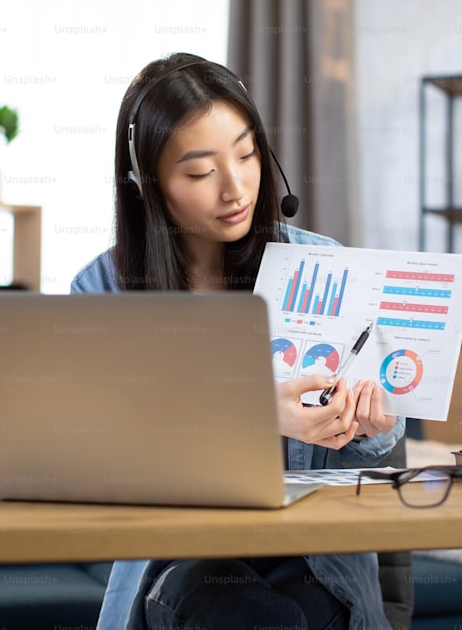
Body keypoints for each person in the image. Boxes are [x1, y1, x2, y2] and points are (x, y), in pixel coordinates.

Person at [71, 52, 405, 630]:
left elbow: (376, 446)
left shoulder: (320, 263)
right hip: (178, 563)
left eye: (248, 156)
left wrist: (371, 423)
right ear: (147, 183)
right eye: (200, 173)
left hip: (312, 557)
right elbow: (99, 455)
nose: (236, 189)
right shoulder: (104, 290)